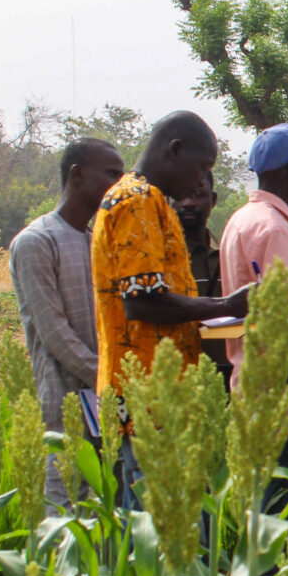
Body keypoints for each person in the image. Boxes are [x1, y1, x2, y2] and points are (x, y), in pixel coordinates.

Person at [92, 111, 250, 499]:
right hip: (149, 395)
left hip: (158, 392)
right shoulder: (137, 201)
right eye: (201, 167)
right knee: (161, 532)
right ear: (174, 150)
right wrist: (226, 304)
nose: (201, 180)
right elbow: (143, 303)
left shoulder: (152, 202)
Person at [219, 123, 288, 513]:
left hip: (254, 395)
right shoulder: (273, 229)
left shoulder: (243, 219)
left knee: (264, 525)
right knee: (285, 528)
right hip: (284, 406)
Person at [8, 137, 124, 509]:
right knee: (65, 512)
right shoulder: (36, 241)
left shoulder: (96, 241)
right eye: (111, 174)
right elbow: (55, 334)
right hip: (65, 403)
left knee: (108, 511)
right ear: (77, 174)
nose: (118, 184)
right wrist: (107, 378)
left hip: (104, 403)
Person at [171, 171, 230, 382]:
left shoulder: (226, 254)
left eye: (198, 195)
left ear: (213, 200)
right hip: (182, 378)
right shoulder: (165, 259)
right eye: (181, 196)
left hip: (227, 375)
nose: (188, 203)